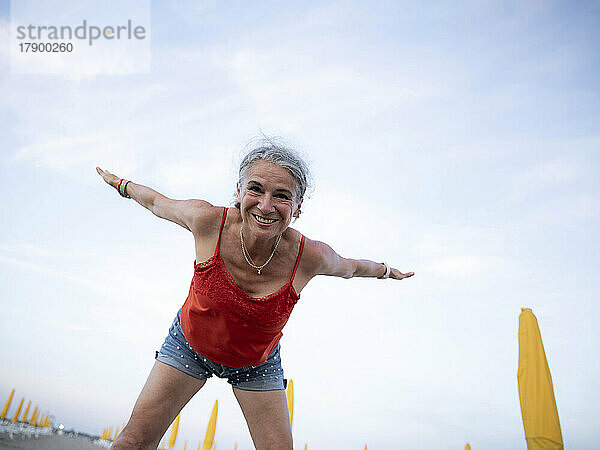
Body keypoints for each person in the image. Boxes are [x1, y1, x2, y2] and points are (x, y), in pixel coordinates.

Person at [96, 138, 414, 450]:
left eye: (281, 196)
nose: (265, 205)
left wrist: (387, 270)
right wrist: (122, 184)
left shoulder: (309, 256)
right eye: (256, 189)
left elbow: (352, 267)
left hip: (256, 365)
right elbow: (156, 202)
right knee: (132, 443)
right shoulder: (208, 221)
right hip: (188, 346)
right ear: (239, 191)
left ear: (298, 208)